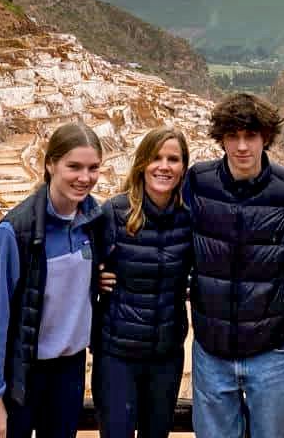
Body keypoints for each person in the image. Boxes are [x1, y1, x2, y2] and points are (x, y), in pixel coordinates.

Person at [184, 92, 284, 438]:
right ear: (221, 139)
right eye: (233, 137)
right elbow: (168, 232)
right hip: (212, 350)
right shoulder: (197, 183)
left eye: (250, 136)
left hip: (271, 351)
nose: (242, 147)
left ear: (265, 138)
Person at [0, 122, 104, 438]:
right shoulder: (14, 232)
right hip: (23, 371)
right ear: (50, 164)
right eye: (74, 166)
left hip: (70, 369)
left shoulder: (93, 222)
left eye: (93, 168)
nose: (84, 177)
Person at [93, 126, 194, 438]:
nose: (164, 166)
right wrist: (91, 279)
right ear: (141, 164)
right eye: (156, 158)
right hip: (117, 353)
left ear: (183, 168)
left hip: (165, 353)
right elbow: (81, 261)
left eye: (173, 159)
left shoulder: (190, 217)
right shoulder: (114, 212)